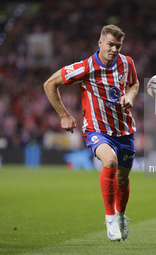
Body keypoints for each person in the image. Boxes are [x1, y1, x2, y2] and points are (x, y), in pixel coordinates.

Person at [43, 25, 139, 241]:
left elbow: (134, 84)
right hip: (97, 129)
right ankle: (110, 219)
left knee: (123, 177)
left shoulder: (127, 63)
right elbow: (50, 84)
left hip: (124, 130)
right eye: (110, 45)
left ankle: (121, 216)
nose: (114, 49)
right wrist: (64, 115)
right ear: (100, 43)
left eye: (118, 46)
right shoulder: (85, 67)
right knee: (110, 161)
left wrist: (130, 96)